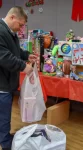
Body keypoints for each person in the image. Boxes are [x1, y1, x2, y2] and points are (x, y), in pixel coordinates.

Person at [0, 6, 37, 150]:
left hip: (8, 83)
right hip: (2, 85)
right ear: (12, 17)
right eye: (20, 25)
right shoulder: (1, 31)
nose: (21, 28)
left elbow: (14, 51)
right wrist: (23, 66)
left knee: (5, 116)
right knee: (3, 118)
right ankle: (6, 144)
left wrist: (26, 55)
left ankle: (5, 138)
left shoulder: (10, 32)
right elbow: (4, 57)